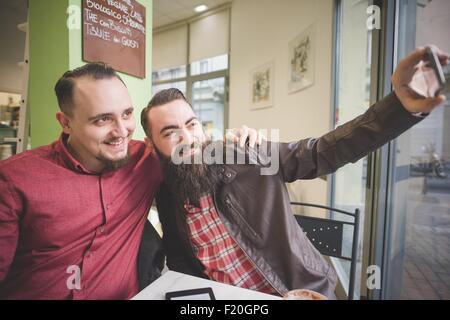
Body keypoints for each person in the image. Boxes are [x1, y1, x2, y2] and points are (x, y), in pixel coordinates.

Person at [139, 46, 449, 299]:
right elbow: (180, 259)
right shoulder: (167, 192)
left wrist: (398, 107)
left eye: (191, 124)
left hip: (296, 292)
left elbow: (322, 152)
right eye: (170, 133)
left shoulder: (247, 154)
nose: (189, 139)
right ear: (151, 145)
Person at [0, 63, 255, 299]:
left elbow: (194, 148)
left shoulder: (149, 159)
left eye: (127, 114)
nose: (121, 131)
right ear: (65, 122)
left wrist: (241, 140)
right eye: (102, 119)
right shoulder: (14, 180)